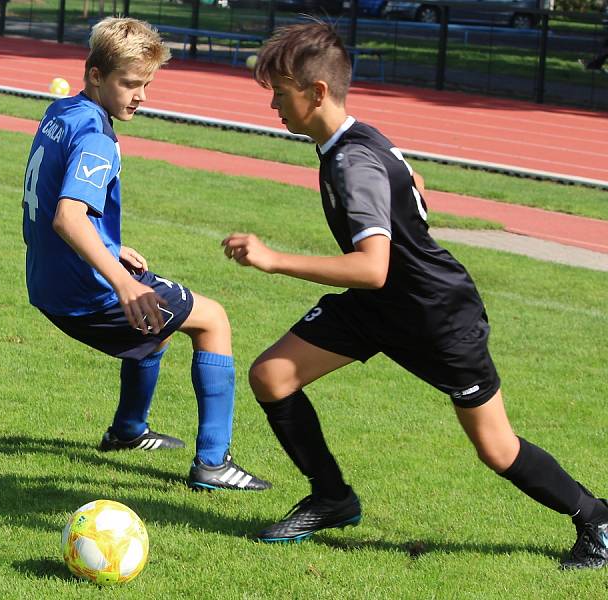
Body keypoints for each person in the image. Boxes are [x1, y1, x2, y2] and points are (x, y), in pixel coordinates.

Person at [221, 21, 607, 569]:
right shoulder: (357, 140)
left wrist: (273, 258)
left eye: (280, 95)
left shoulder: (352, 160)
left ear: (317, 93)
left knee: (496, 448)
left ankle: (596, 519)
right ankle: (332, 498)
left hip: (435, 317)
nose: (275, 108)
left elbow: (373, 268)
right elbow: (418, 185)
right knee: (272, 375)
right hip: (381, 309)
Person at [22, 17, 270, 492]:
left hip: (46, 280)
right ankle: (214, 464)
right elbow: (68, 216)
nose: (140, 96)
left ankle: (128, 431)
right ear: (95, 74)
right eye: (130, 83)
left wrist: (113, 247)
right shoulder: (98, 137)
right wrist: (123, 280)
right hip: (84, 292)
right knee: (213, 319)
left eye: (147, 84)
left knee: (156, 323)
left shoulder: (60, 112)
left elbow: (49, 194)